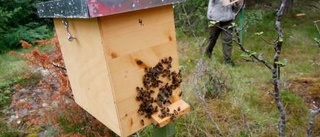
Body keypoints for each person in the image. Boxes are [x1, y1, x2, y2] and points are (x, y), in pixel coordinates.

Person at [205, 0, 243, 66]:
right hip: (215, 18)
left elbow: (235, 6)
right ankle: (206, 55)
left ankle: (228, 61)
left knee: (228, 40)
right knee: (212, 39)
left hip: (228, 19)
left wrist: (237, 3)